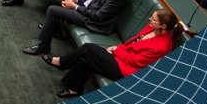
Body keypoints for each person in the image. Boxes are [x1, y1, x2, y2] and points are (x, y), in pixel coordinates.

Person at [48, 9, 179, 98]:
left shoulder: (162, 46)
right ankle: (75, 89)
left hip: (127, 71)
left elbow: (136, 62)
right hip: (122, 58)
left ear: (163, 26)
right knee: (86, 60)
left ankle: (61, 62)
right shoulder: (152, 26)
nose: (150, 19)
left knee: (88, 48)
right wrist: (118, 47)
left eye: (154, 19)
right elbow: (131, 42)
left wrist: (116, 50)